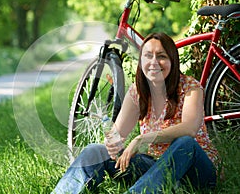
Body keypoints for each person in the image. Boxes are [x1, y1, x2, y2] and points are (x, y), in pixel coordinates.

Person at [51, 32, 219, 194]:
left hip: (195, 170)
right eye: (148, 56)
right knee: (94, 150)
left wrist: (142, 139)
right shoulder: (138, 92)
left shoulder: (191, 87)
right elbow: (117, 135)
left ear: (172, 61)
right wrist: (112, 143)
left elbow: (190, 128)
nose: (154, 62)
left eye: (161, 56)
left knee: (185, 143)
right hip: (155, 168)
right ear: (141, 60)